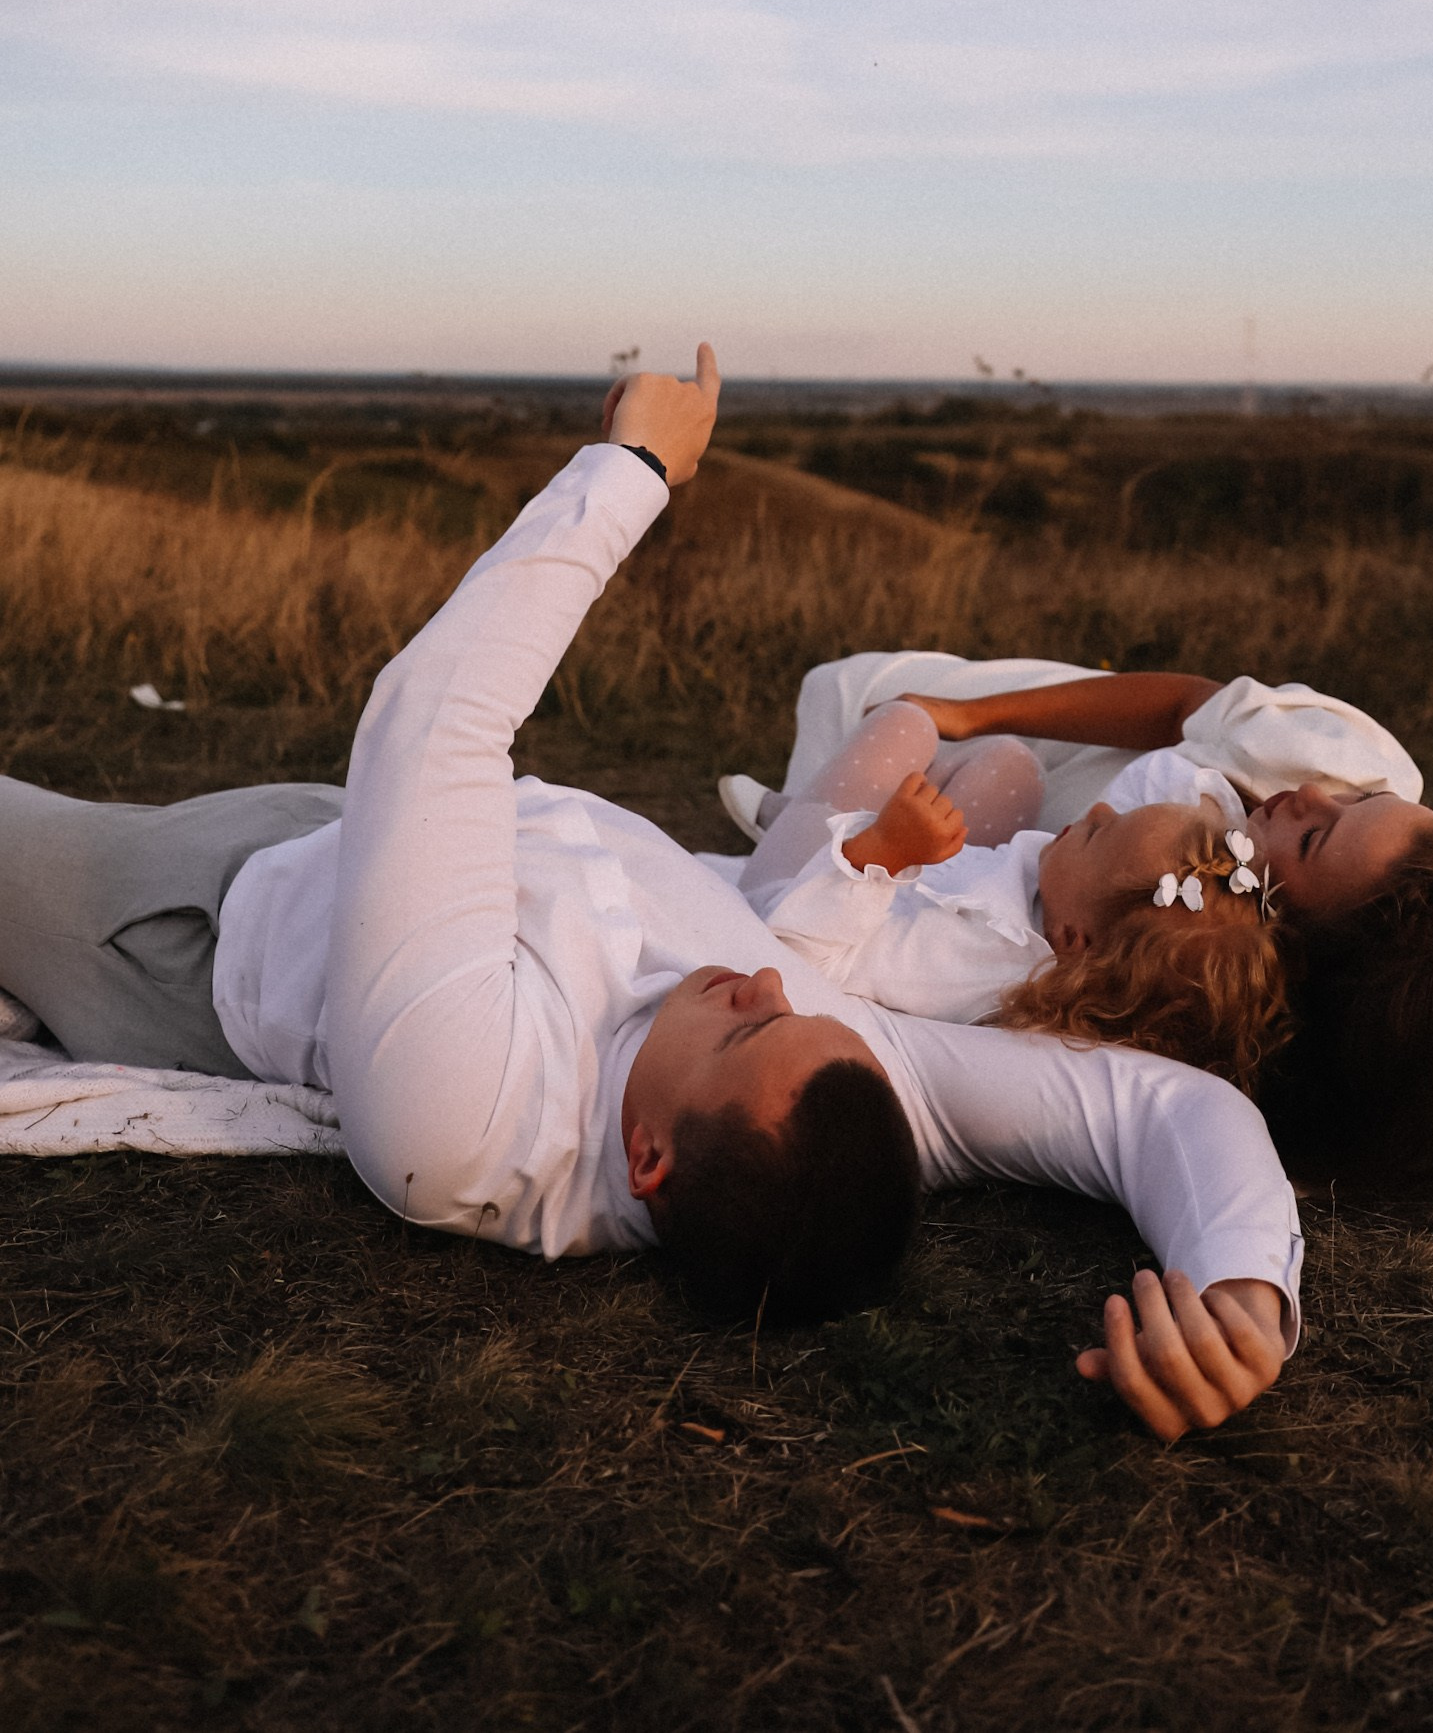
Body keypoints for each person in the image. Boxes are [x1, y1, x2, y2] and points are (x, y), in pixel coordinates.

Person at [0, 357, 1299, 1443]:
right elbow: (1168, 1108)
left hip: (188, 923)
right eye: (795, 1007)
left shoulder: (463, 1117)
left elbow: (431, 721)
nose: (770, 979)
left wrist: (632, 469)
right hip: (380, 834)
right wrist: (1246, 1300)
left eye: (745, 1025)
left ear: (648, 1159)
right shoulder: (829, 1072)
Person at [742, 650, 1433, 1197]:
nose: (1311, 795)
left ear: (1281, 944)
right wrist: (966, 711)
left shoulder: (1171, 961)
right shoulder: (1334, 767)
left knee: (876, 726)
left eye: (1312, 840)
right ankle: (822, 797)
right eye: (1358, 802)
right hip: (1050, 732)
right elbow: (1180, 703)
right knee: (873, 698)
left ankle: (811, 813)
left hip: (982, 851)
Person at [733, 699, 1292, 1094]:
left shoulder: (962, 954)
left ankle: (795, 818)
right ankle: (808, 810)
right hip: (956, 872)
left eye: (1099, 833)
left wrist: (881, 852)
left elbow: (799, 958)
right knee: (1012, 763)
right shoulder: (1072, 919)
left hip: (793, 892)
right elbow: (1166, 775)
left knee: (906, 723)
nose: (1099, 809)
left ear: (1072, 937)